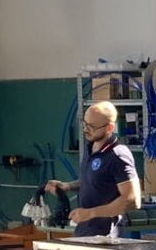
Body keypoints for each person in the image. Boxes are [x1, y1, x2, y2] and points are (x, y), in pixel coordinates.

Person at [43, 101, 140, 237]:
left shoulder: (118, 155)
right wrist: (68, 186)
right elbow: (94, 181)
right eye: (84, 124)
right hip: (84, 231)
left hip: (105, 236)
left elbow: (132, 200)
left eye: (92, 127)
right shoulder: (90, 148)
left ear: (110, 128)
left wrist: (90, 213)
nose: (85, 129)